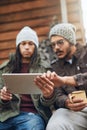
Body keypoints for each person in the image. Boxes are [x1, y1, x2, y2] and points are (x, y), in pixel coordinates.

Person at [0, 26, 55, 130]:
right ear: (18, 46)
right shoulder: (5, 68)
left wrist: (48, 95)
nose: (26, 47)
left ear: (35, 47)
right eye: (23, 43)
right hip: (6, 116)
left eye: (30, 43)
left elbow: (50, 103)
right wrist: (3, 99)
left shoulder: (44, 68)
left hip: (33, 116)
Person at [35, 23, 87, 130]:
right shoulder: (54, 67)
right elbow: (58, 94)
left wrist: (65, 80)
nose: (56, 48)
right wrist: (66, 102)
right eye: (53, 45)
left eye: (60, 42)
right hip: (75, 112)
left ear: (71, 41)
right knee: (55, 125)